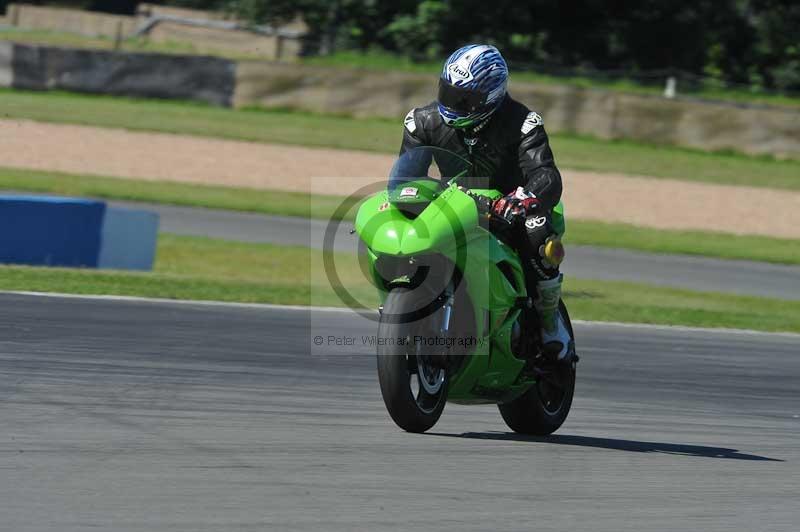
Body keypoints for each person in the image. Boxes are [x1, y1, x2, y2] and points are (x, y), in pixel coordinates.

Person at [399, 44, 572, 362]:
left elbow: (546, 174)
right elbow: (407, 178)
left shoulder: (523, 123)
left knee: (537, 232)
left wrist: (523, 200)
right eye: (448, 93)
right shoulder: (421, 122)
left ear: (490, 96)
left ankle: (550, 323)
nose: (452, 105)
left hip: (510, 208)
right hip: (455, 203)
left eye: (464, 99)